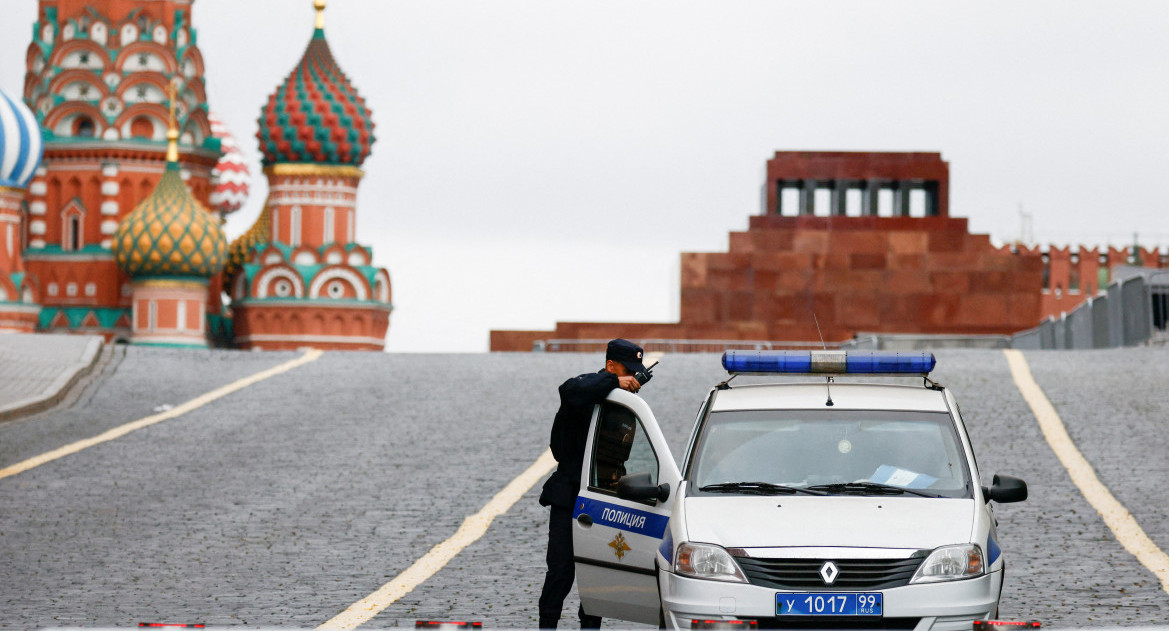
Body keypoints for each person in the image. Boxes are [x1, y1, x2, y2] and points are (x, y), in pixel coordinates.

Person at [538, 338, 648, 629]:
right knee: (560, 571)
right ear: (611, 366)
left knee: (595, 573)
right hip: (570, 492)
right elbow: (569, 389)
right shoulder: (588, 389)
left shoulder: (623, 402)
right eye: (628, 370)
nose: (633, 376)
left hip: (604, 494)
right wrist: (613, 382)